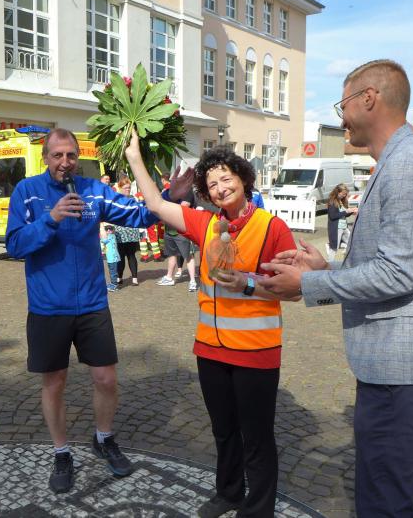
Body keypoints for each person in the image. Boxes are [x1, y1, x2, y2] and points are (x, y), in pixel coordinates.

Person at [258, 59, 413, 517]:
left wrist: (310, 283)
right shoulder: (402, 161)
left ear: (369, 99)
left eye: (342, 105)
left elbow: (398, 273)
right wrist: (326, 266)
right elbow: (397, 263)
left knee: (385, 500)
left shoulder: (411, 164)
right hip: (403, 365)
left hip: (407, 366)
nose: (341, 118)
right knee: (407, 493)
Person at [125, 133, 296, 517]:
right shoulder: (205, 225)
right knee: (223, 430)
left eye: (226, 178)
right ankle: (229, 493)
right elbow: (155, 204)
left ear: (243, 178)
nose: (220, 188)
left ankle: (258, 510)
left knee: (256, 438)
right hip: (211, 350)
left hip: (255, 353)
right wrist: (135, 157)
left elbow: (296, 291)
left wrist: (248, 283)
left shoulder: (273, 228)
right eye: (212, 184)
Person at [6, 128, 160, 494]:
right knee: (54, 382)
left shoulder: (94, 191)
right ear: (46, 157)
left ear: (79, 157)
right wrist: (51, 218)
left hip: (92, 303)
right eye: (58, 155)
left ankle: (103, 438)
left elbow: (140, 216)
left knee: (106, 379)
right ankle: (61, 453)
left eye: (71, 155)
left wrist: (170, 198)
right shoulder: (27, 191)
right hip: (48, 307)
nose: (65, 162)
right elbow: (15, 245)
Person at [156, 181, 198, 292]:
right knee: (171, 254)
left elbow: (183, 207)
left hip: (182, 230)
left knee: (188, 255)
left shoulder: (188, 192)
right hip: (169, 229)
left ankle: (192, 281)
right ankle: (169, 277)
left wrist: (166, 207)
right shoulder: (170, 193)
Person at [114, 177, 141, 286]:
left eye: (129, 188)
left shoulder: (133, 199)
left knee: (131, 255)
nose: (128, 190)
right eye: (126, 188)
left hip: (131, 231)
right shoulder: (116, 199)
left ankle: (134, 278)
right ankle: (119, 277)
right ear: (120, 187)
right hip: (120, 231)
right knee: (120, 256)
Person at [326, 184, 358, 260]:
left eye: (345, 194)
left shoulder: (341, 201)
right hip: (337, 228)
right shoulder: (332, 202)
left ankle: (334, 246)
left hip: (344, 227)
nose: (344, 196)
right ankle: (329, 263)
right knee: (334, 248)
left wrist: (351, 211)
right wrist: (346, 211)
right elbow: (333, 216)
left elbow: (343, 214)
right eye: (343, 194)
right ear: (338, 192)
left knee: (351, 243)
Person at [100, 225, 120, 292]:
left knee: (113, 272)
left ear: (113, 230)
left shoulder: (110, 237)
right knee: (113, 271)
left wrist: (102, 231)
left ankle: (114, 285)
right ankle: (113, 283)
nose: (108, 230)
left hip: (112, 258)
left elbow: (103, 240)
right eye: (107, 229)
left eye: (110, 229)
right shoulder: (113, 236)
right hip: (112, 258)